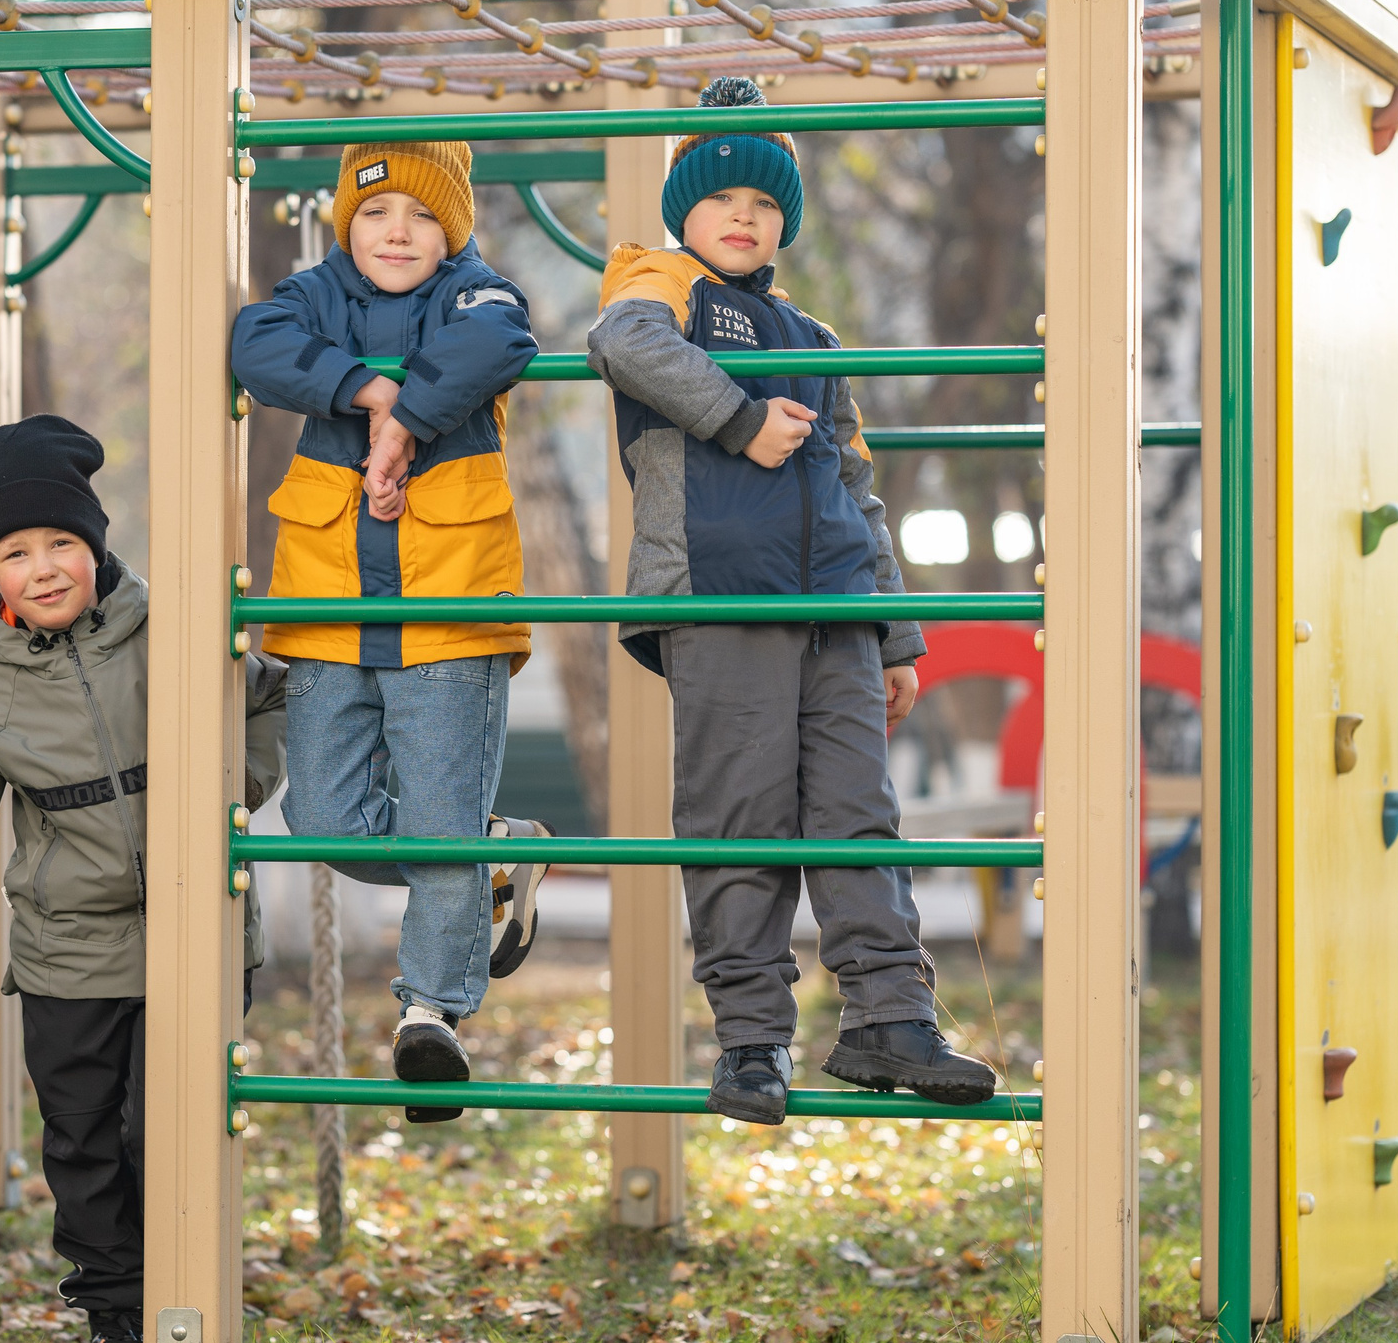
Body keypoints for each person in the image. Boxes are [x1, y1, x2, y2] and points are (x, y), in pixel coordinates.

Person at [585, 77, 999, 1123]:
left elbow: (859, 488)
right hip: (721, 600)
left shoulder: (815, 340)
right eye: (723, 197)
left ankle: (888, 1016)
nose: (742, 217)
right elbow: (621, 347)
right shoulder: (656, 282)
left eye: (765, 205)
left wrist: (895, 635)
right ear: (684, 209)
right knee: (743, 817)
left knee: (860, 814)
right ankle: (751, 1041)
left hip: (835, 612)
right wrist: (732, 416)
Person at [0, 415, 287, 1343]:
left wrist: (238, 784)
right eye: (16, 552)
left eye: (62, 542)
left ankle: (189, 1280)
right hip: (70, 953)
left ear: (95, 546)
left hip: (198, 931)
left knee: (168, 1121)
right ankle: (114, 1317)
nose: (43, 567)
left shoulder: (176, 632)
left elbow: (267, 697)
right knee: (87, 1139)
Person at [230, 140, 552, 1126]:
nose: (396, 232)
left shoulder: (475, 291)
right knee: (320, 818)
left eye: (418, 216)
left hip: (451, 603)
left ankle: (431, 1015)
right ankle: (494, 851)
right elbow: (254, 343)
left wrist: (409, 419)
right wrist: (368, 392)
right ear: (345, 225)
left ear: (450, 227)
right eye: (374, 215)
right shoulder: (315, 291)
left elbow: (499, 345)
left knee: (441, 814)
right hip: (330, 606)